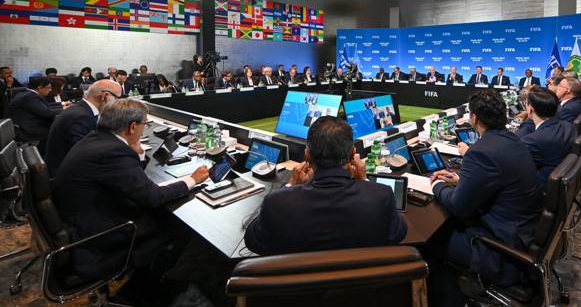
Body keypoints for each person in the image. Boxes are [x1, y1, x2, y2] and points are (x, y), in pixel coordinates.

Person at [53, 99, 209, 281]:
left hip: (80, 217)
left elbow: (127, 180)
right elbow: (152, 197)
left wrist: (139, 153)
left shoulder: (97, 138)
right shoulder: (113, 152)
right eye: (144, 124)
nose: (144, 128)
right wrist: (193, 179)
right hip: (96, 235)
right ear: (132, 127)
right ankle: (153, 284)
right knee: (178, 223)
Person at [428, 89, 542, 306]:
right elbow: (493, 180)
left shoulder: (481, 151)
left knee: (429, 239)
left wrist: (438, 185)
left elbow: (458, 206)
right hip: (524, 231)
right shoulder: (513, 140)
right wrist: (459, 179)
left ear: (474, 118)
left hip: (502, 248)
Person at [244, 116, 407, 255]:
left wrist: (290, 186)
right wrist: (364, 181)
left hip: (299, 289)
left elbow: (253, 241)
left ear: (307, 155)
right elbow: (399, 232)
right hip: (364, 289)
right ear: (352, 154)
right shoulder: (381, 195)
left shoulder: (277, 202)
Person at [45, 80, 122, 177]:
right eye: (118, 98)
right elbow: (86, 155)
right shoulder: (81, 117)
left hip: (69, 169)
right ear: (105, 96)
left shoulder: (82, 110)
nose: (118, 103)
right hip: (68, 177)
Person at [517, 87, 576, 184]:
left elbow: (515, 163)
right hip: (558, 182)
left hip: (537, 187)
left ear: (530, 109)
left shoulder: (532, 141)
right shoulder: (569, 127)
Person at [8, 77, 63, 150]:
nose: (50, 90)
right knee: (61, 129)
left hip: (30, 124)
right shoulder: (29, 97)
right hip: (29, 129)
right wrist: (64, 109)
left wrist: (62, 105)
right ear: (39, 88)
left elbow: (46, 107)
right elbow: (46, 113)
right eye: (48, 87)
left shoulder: (28, 93)